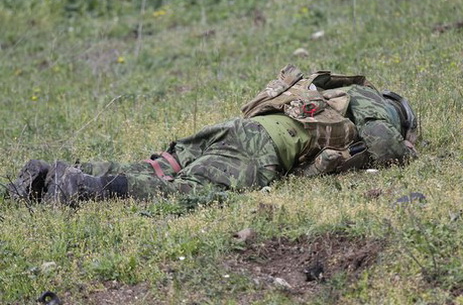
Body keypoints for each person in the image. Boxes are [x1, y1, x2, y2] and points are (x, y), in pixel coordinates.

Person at [6, 64, 418, 206]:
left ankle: (44, 179)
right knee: (190, 191)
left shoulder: (328, 92)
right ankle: (86, 186)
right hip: (261, 149)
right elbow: (383, 142)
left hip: (236, 131)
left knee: (162, 167)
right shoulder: (367, 97)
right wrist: (409, 153)